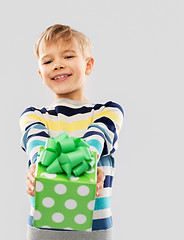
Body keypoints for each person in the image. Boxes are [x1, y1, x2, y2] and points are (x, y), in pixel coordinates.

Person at [19, 24, 124, 240]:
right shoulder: (33, 116)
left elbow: (96, 140)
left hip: (95, 228)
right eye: (48, 61)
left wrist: (89, 162)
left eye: (67, 56)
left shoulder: (108, 111)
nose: (57, 65)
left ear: (88, 65)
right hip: (44, 227)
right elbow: (37, 148)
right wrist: (38, 170)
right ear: (41, 73)